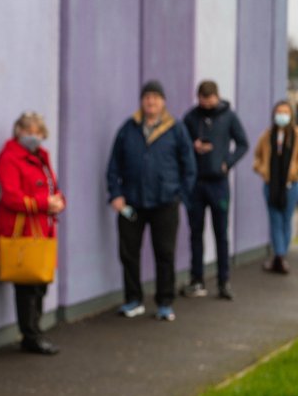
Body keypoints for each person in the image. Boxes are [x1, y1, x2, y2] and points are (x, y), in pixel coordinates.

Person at [106, 80, 196, 322]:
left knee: (164, 253)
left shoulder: (175, 129)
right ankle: (133, 300)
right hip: (132, 203)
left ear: (163, 101)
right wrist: (115, 194)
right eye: (147, 97)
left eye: (156, 97)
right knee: (128, 253)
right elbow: (114, 165)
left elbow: (189, 166)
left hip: (165, 202)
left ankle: (165, 302)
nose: (151, 101)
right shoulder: (128, 128)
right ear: (142, 101)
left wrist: (179, 195)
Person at [0, 111, 65, 355]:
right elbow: (10, 196)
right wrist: (44, 203)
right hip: (23, 231)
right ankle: (30, 334)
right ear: (18, 132)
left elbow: (52, 187)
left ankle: (36, 329)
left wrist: (58, 201)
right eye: (28, 131)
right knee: (27, 285)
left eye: (37, 132)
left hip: (42, 231)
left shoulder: (42, 157)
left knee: (41, 283)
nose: (33, 136)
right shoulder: (10, 157)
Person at [180, 80, 249, 300]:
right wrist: (194, 146)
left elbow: (242, 143)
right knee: (195, 233)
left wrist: (227, 162)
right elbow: (181, 143)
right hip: (196, 184)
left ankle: (223, 280)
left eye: (210, 99)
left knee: (221, 233)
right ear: (198, 97)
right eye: (203, 99)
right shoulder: (191, 117)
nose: (207, 103)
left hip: (218, 183)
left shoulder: (228, 116)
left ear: (217, 97)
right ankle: (197, 279)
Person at [253, 100, 298, 274]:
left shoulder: (296, 135)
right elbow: (257, 157)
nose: (282, 115)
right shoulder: (267, 135)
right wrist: (263, 170)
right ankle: (279, 256)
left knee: (286, 220)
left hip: (291, 186)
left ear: (291, 115)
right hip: (271, 185)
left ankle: (281, 255)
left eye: (285, 112)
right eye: (279, 112)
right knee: (275, 221)